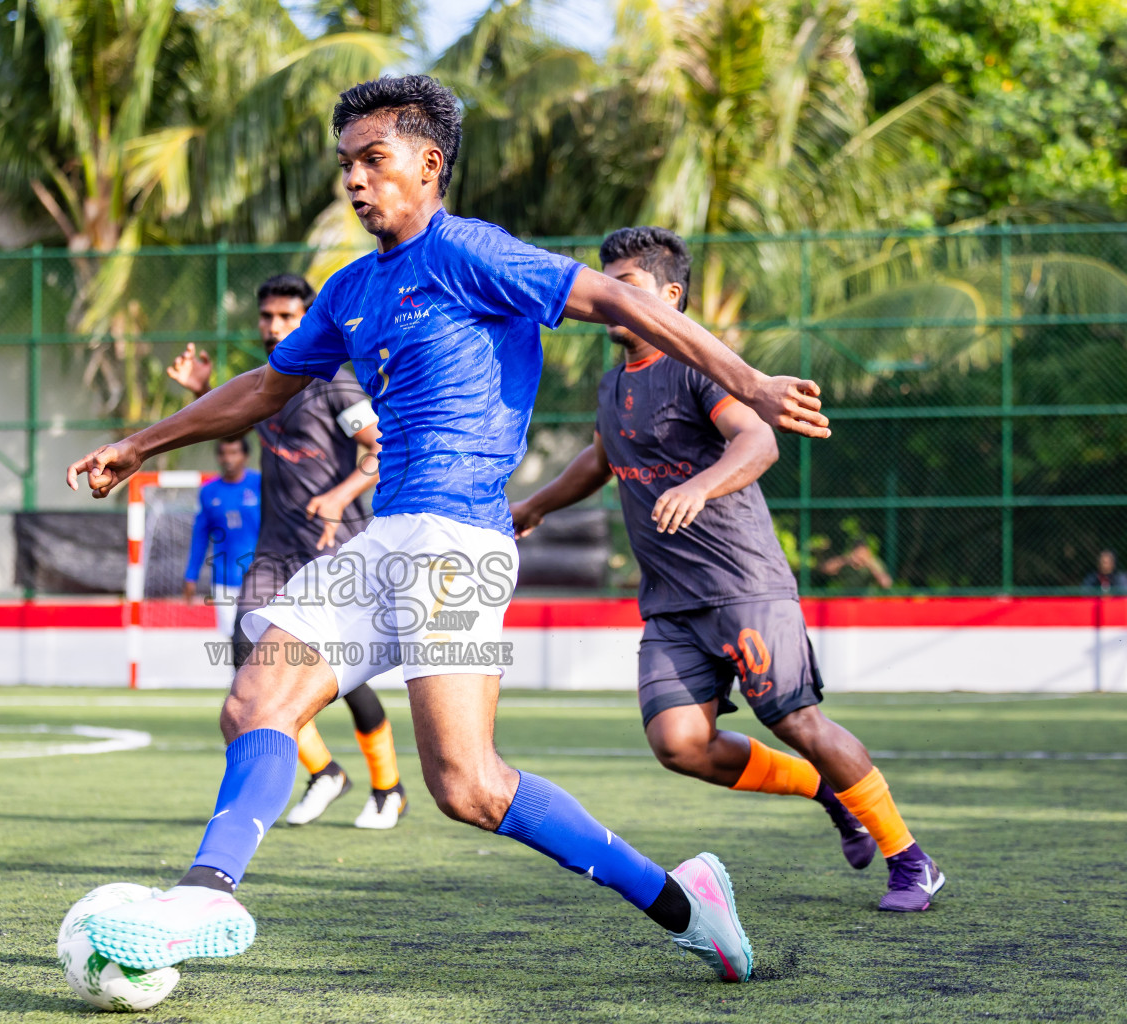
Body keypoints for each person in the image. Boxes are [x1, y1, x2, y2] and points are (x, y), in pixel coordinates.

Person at [66, 75, 828, 985]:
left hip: (457, 545)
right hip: (386, 540)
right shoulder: (350, 288)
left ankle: (681, 901)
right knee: (252, 701)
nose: (354, 181)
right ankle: (208, 890)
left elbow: (626, 304)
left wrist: (748, 383)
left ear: (429, 166)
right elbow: (264, 389)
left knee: (468, 787)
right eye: (345, 164)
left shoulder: (475, 252)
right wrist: (140, 444)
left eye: (372, 160)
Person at [511, 226, 943, 913]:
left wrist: (700, 486)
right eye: (608, 285)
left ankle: (911, 860)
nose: (612, 299)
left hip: (744, 584)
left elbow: (759, 438)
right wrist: (532, 507)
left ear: (671, 296)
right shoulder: (613, 382)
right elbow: (600, 460)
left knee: (797, 721)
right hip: (670, 601)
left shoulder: (696, 366)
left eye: (630, 286)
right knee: (679, 743)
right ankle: (825, 791)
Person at [168, 273, 408, 830]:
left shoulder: (336, 385)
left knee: (342, 676)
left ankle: (389, 787)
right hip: (277, 548)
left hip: (334, 545)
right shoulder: (268, 383)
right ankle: (324, 771)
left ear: (308, 319)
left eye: (286, 317)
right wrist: (201, 392)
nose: (274, 328)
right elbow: (228, 419)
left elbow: (381, 448)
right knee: (248, 655)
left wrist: (340, 494)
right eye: (266, 317)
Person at [183, 436, 261, 638]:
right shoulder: (209, 492)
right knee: (234, 640)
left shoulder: (260, 484)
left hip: (260, 578)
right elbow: (200, 536)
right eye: (223, 453)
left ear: (245, 456)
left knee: (261, 640)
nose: (228, 459)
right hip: (224, 580)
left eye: (234, 452)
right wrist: (191, 575)